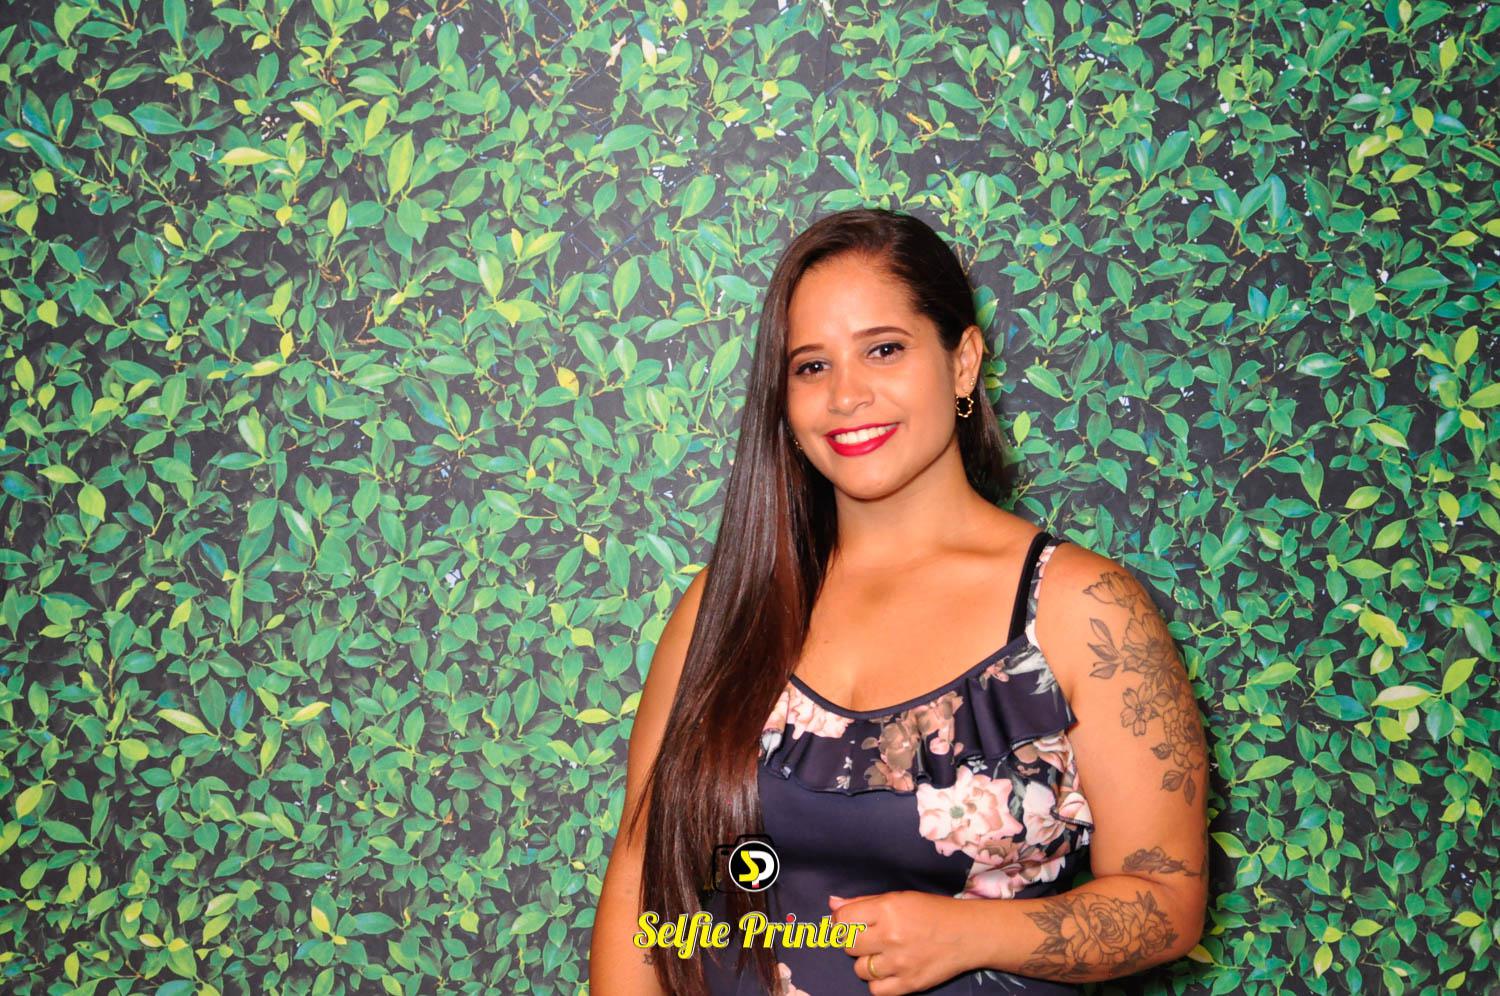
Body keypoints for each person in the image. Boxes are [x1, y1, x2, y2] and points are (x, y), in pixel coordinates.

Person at [589, 208, 1210, 995]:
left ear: (963, 362)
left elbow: (1166, 903)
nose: (846, 394)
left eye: (883, 349)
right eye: (811, 366)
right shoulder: (725, 604)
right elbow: (641, 873)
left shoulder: (1083, 609)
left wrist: (968, 934)